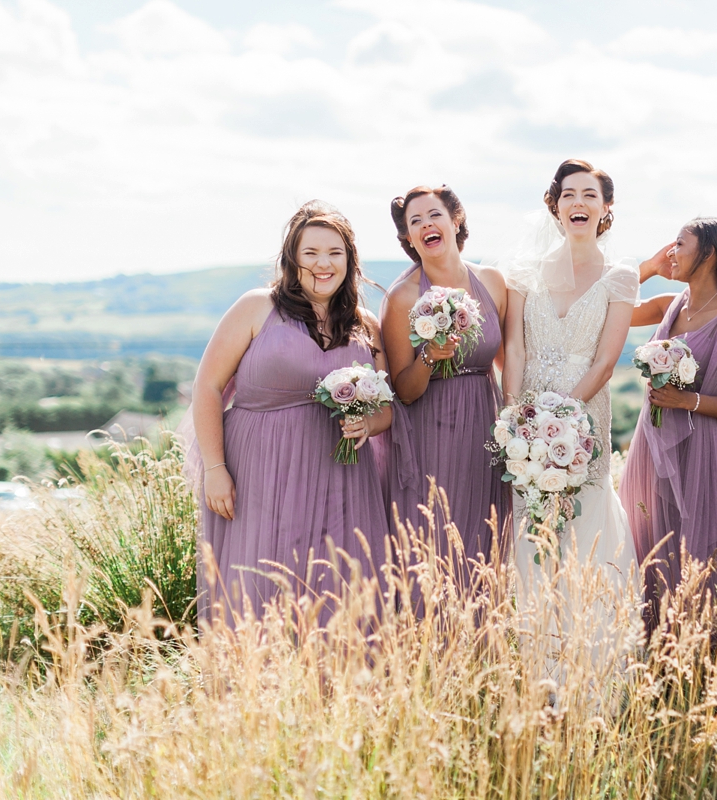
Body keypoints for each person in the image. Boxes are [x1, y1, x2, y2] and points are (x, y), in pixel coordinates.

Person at [188, 200, 394, 626]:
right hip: (260, 474)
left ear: (350, 261)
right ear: (292, 259)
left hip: (341, 479)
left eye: (335, 253)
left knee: (337, 587)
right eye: (311, 253)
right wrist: (214, 467)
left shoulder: (365, 325)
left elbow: (387, 409)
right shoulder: (256, 307)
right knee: (261, 583)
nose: (324, 264)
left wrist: (368, 422)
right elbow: (207, 387)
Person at [500, 158, 651, 618]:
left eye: (590, 195)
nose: (579, 202)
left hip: (585, 416)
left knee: (586, 519)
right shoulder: (524, 272)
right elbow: (515, 350)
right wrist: (516, 420)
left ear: (606, 208)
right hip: (526, 420)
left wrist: (563, 416)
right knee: (532, 527)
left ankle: (589, 654)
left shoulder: (620, 276)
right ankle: (537, 651)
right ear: (555, 206)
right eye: (569, 194)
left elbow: (607, 362)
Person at [622, 218, 717, 629]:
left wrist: (689, 400)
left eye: (680, 244)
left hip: (703, 451)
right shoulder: (670, 304)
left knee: (699, 556)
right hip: (651, 446)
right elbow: (608, 314)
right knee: (651, 540)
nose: (672, 251)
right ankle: (654, 648)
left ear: (709, 254)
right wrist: (647, 269)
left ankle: (698, 651)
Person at [383, 185, 510, 596]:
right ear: (408, 238)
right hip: (430, 434)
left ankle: (479, 652)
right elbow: (403, 390)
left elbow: (507, 362)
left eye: (433, 215)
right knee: (434, 544)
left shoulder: (491, 281)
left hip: (485, 429)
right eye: (414, 222)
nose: (425, 226)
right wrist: (429, 358)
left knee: (481, 547)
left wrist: (518, 422)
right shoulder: (402, 297)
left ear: (456, 220)